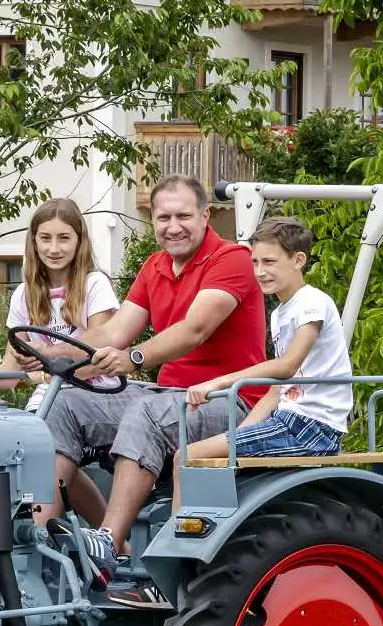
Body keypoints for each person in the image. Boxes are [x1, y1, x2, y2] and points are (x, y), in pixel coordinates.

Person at [40, 174, 265, 600]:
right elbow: (116, 331)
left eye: (183, 215)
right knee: (69, 405)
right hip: (170, 398)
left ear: (205, 215)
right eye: (163, 217)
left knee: (146, 413)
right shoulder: (155, 266)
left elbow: (194, 329)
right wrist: (57, 355)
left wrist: (136, 358)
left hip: (229, 402)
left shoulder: (231, 259)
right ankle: (35, 543)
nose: (173, 226)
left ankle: (109, 545)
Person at [182, 218, 355, 462]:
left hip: (312, 427)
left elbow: (287, 365)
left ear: (298, 260)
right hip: (287, 419)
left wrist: (217, 382)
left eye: (269, 262)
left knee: (186, 456)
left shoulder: (312, 302)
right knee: (204, 456)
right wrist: (238, 435)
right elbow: (276, 391)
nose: (260, 272)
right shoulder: (279, 313)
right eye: (255, 262)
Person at [3, 199, 120, 413]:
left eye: (64, 238)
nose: (54, 249)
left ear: (79, 241)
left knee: (52, 422)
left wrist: (43, 374)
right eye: (45, 238)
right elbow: (8, 373)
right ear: (34, 241)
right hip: (45, 402)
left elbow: (97, 361)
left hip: (95, 397)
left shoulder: (94, 284)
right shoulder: (23, 295)